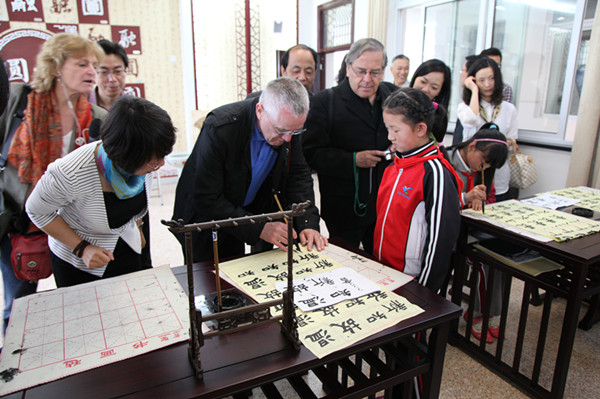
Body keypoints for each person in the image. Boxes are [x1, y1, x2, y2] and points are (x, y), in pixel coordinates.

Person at [0, 33, 107, 331]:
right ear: (57, 66)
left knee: (76, 300)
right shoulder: (17, 99)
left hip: (70, 226)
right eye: (82, 63)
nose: (91, 72)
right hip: (17, 222)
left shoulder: (97, 118)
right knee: (19, 303)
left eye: (94, 65)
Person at [26, 96, 176, 287]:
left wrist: (137, 226)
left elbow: (135, 201)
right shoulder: (70, 172)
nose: (160, 164)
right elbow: (36, 211)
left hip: (126, 248)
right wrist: (82, 248)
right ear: (126, 156)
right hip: (80, 262)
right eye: (154, 160)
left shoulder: (144, 162)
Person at [172, 77, 327, 263]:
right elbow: (207, 197)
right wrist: (259, 227)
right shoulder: (220, 127)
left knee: (239, 268)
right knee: (211, 278)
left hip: (244, 209)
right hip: (204, 220)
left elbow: (298, 175)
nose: (288, 139)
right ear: (260, 111)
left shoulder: (288, 127)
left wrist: (307, 223)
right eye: (281, 130)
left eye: (295, 132)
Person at [303, 38, 397, 254]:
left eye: (375, 72)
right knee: (344, 264)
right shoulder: (326, 102)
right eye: (361, 71)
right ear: (348, 68)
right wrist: (353, 159)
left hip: (385, 201)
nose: (367, 79)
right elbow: (311, 154)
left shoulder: (393, 95)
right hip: (344, 205)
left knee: (383, 263)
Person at [374, 88, 461, 294]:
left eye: (396, 130)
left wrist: (426, 291)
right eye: (388, 129)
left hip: (413, 278)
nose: (389, 136)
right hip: (385, 269)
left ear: (421, 129)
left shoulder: (435, 172)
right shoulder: (394, 165)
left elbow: (441, 238)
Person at [446, 125, 510, 342]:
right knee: (485, 260)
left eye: (491, 165)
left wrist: (480, 200)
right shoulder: (444, 161)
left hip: (472, 227)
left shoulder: (484, 169)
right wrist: (466, 196)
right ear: (472, 145)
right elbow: (434, 201)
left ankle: (487, 312)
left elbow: (490, 198)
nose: (486, 166)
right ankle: (480, 314)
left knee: (500, 256)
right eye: (485, 160)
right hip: (446, 230)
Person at [457, 56, 518, 202]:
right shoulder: (464, 107)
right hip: (473, 172)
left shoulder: (508, 109)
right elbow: (471, 119)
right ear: (473, 81)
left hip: (498, 174)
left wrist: (498, 144)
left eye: (491, 78)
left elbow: (512, 139)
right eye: (481, 80)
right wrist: (474, 92)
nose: (487, 84)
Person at [247, 44, 318, 99]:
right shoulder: (259, 99)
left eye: (308, 72)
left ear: (315, 72)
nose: (302, 77)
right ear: (283, 71)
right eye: (296, 71)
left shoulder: (319, 105)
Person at [89, 39, 128, 110]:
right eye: (104, 72)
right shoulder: (80, 108)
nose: (112, 79)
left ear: (126, 70)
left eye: (117, 71)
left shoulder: (139, 109)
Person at [452, 55, 479, 145]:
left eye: (463, 70)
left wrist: (474, 89)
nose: (461, 74)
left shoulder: (469, 107)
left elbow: (471, 119)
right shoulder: (464, 104)